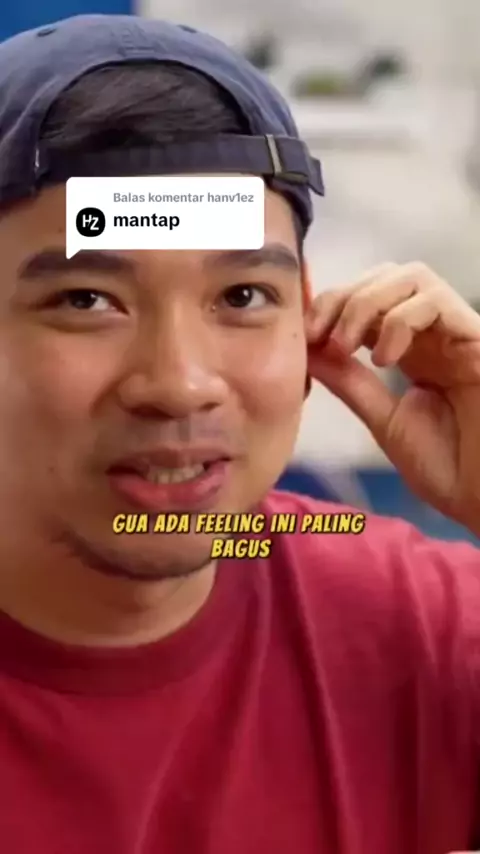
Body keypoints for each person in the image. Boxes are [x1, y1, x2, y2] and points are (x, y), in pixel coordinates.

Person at [0, 13, 478, 854]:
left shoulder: (427, 631)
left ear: (310, 318)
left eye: (243, 296)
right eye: (86, 300)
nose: (179, 381)